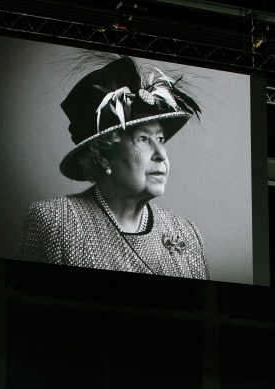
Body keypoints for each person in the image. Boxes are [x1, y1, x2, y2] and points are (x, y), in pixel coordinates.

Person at [21, 55, 208, 278]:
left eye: (160, 139)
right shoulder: (57, 221)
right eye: (143, 139)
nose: (161, 155)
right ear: (102, 155)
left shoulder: (187, 233)